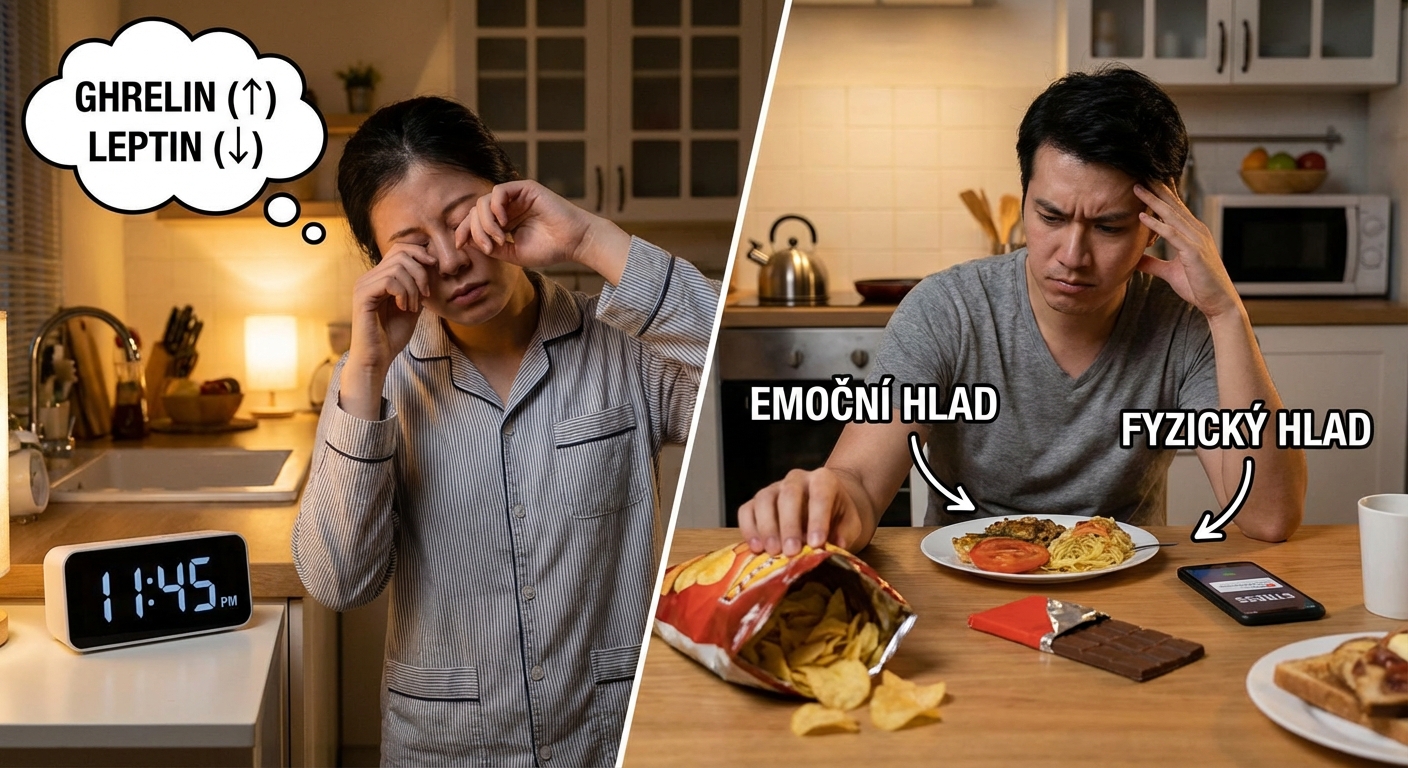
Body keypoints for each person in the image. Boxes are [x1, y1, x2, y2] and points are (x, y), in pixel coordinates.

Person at [292, 96, 719, 766]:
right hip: (447, 748)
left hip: (606, 736)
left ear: (509, 196)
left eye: (464, 222)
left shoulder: (624, 349)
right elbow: (338, 581)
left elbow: (736, 385)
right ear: (379, 263)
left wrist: (587, 239)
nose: (453, 261)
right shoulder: (376, 385)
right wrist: (367, 366)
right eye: (412, 248)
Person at [738, 67, 1306, 556]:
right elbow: (859, 481)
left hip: (1130, 594)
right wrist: (823, 499)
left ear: (1161, 216)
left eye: (1108, 226)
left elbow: (1265, 517)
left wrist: (1226, 312)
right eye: (1051, 217)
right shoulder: (946, 310)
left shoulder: (1184, 320)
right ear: (1025, 197)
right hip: (970, 584)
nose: (1072, 256)